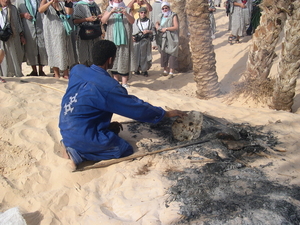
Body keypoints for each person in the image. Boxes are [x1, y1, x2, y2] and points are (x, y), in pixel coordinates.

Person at [59, 39, 185, 169]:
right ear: (110, 59)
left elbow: (76, 72)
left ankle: (73, 142)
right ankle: (78, 154)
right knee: (123, 149)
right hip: (82, 135)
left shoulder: (78, 70)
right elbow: (136, 108)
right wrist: (165, 113)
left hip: (65, 128)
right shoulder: (109, 87)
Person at [101, 0, 134, 89]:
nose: (118, 0)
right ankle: (115, 81)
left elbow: (132, 21)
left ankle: (124, 82)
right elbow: (103, 21)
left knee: (124, 58)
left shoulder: (127, 9)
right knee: (113, 59)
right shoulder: (109, 8)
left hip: (124, 39)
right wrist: (111, 12)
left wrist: (126, 13)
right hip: (112, 38)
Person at [39, 0, 76, 79]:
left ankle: (66, 73)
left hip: (63, 30)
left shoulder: (61, 3)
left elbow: (69, 12)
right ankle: (56, 73)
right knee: (53, 51)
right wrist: (51, 2)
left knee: (65, 51)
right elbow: (41, 10)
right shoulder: (45, 1)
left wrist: (68, 3)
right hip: (51, 32)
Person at [16, 0, 48, 77]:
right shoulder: (20, 2)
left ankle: (41, 70)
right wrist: (23, 15)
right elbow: (15, 15)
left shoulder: (40, 1)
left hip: (40, 27)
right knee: (30, 49)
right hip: (28, 28)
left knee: (42, 48)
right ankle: (34, 70)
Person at [0, 0, 26, 78]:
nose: (6, 0)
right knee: (2, 56)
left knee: (15, 55)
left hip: (12, 36)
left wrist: (21, 35)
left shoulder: (13, 9)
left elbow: (18, 23)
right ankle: (4, 75)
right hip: (0, 37)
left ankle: (16, 73)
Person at [73, 0, 102, 66]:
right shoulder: (79, 5)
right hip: (84, 33)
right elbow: (75, 21)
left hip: (95, 33)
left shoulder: (95, 5)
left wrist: (98, 17)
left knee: (95, 54)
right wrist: (87, 19)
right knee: (84, 55)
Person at [155, 2, 179, 77]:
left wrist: (167, 29)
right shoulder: (161, 16)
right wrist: (158, 27)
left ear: (169, 8)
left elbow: (176, 27)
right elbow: (157, 23)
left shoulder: (173, 15)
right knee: (164, 53)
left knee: (172, 53)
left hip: (172, 37)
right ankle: (165, 70)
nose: (165, 10)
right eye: (163, 8)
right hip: (163, 37)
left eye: (166, 8)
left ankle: (171, 72)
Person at [132, 7, 154, 76]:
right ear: (139, 13)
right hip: (137, 41)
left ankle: (144, 70)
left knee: (144, 56)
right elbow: (132, 31)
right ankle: (136, 69)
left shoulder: (149, 22)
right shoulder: (136, 22)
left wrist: (148, 31)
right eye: (141, 12)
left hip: (146, 41)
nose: (143, 14)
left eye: (144, 12)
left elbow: (153, 31)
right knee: (136, 55)